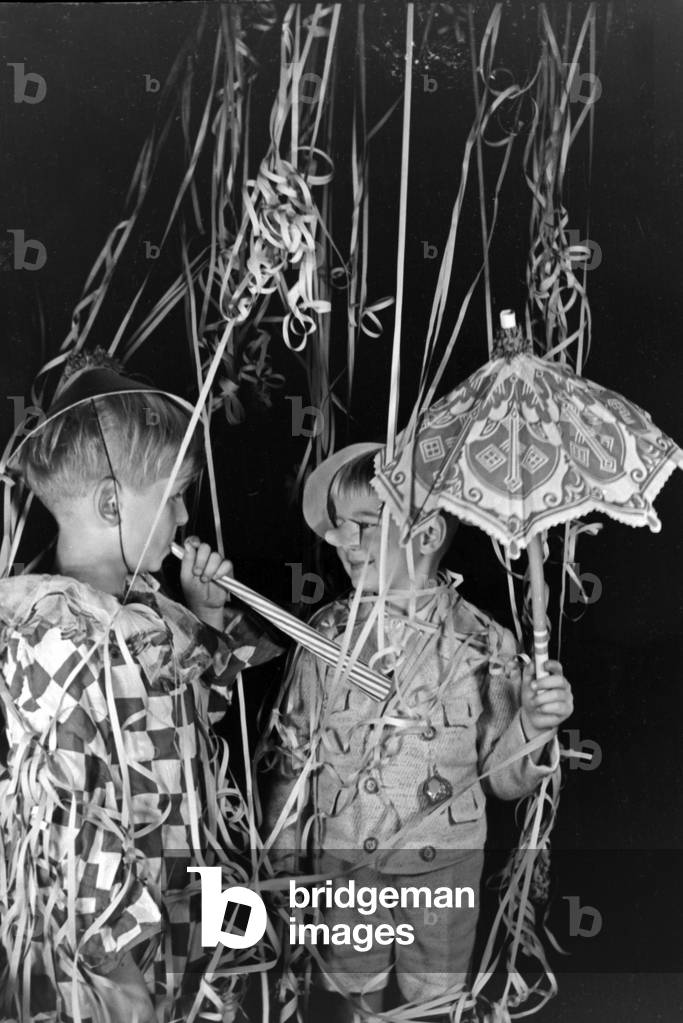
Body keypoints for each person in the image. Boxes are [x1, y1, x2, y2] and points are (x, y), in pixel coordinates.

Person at [0, 351, 281, 1023]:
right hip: (106, 966)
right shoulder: (61, 640)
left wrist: (205, 616)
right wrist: (117, 971)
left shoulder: (138, 617)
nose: (185, 517)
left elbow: (184, 731)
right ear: (109, 502)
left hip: (171, 930)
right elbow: (62, 819)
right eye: (175, 494)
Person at [261, 442, 573, 1020]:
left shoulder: (486, 644)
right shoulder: (322, 638)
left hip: (443, 869)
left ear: (426, 536)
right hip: (345, 867)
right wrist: (279, 865)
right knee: (353, 996)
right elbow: (292, 757)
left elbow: (503, 782)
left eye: (363, 527)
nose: (342, 544)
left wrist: (533, 722)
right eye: (339, 529)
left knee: (432, 1004)